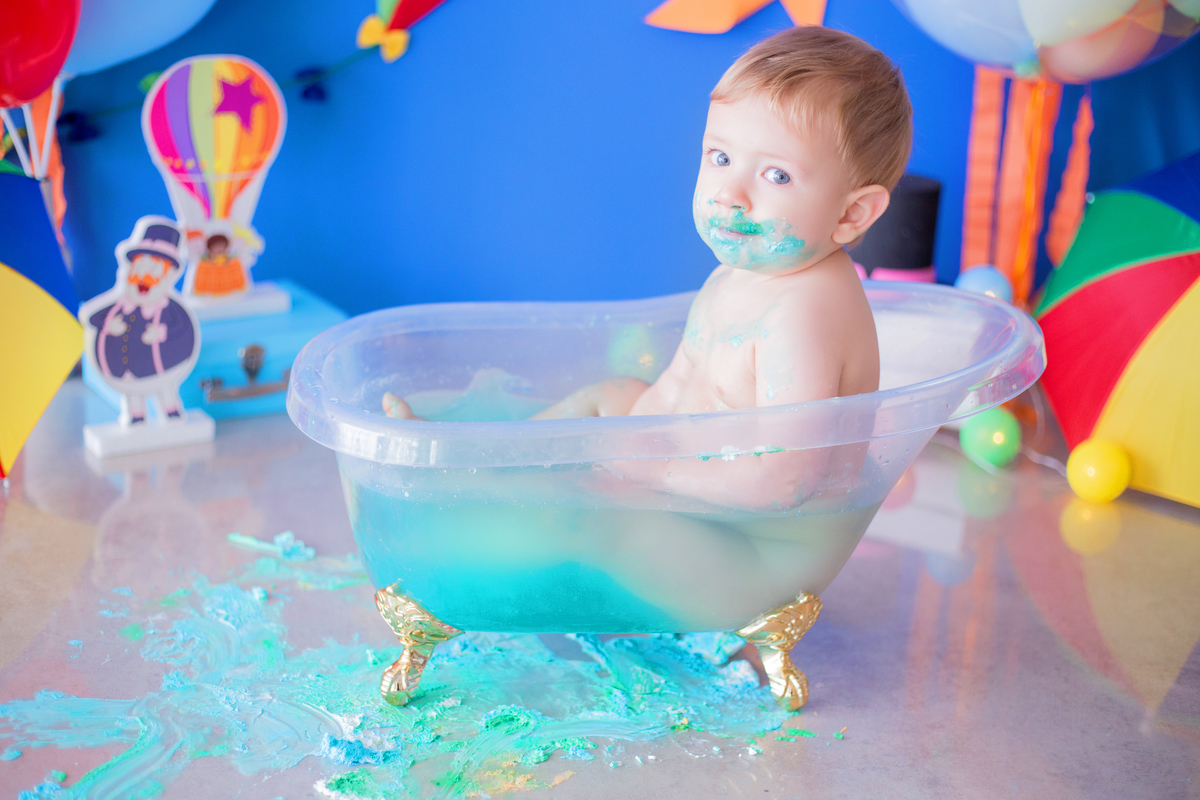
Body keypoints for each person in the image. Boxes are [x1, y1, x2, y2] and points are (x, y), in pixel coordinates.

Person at [385, 26, 911, 509]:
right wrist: (618, 447)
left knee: (575, 524)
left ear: (851, 213)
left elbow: (784, 482)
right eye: (720, 158)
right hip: (685, 477)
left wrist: (649, 472)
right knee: (615, 394)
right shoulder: (741, 274)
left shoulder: (806, 316)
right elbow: (676, 387)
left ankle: (494, 497)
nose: (729, 195)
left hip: (749, 534)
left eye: (776, 175)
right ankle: (479, 462)